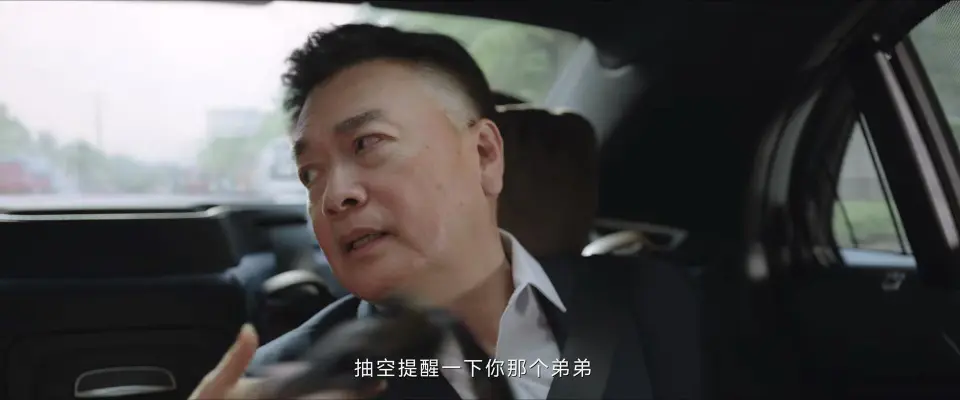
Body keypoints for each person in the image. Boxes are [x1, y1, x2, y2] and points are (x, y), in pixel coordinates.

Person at [191, 23, 700, 400]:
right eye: (310, 174)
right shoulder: (286, 382)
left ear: (484, 155)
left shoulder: (649, 302)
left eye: (367, 143)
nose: (332, 196)